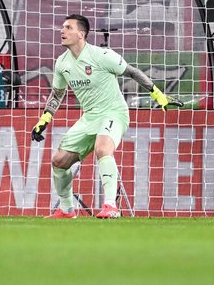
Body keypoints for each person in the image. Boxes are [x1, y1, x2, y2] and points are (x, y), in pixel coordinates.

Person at [31, 14, 182, 219]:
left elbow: (133, 71)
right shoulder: (62, 63)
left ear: (81, 34)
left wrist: (158, 95)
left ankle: (111, 206)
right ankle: (66, 210)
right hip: (89, 117)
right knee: (59, 161)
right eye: (62, 27)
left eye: (68, 28)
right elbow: (57, 94)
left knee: (102, 149)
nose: (62, 31)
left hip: (114, 112)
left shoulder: (101, 55)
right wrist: (44, 120)